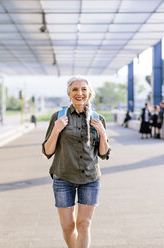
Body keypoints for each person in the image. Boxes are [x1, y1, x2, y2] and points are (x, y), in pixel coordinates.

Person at [42, 76, 110, 248]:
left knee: (84, 225)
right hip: (63, 177)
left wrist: (102, 134)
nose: (80, 93)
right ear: (69, 93)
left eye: (83, 89)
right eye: (75, 89)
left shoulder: (98, 118)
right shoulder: (58, 117)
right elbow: (48, 151)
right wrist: (56, 130)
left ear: (89, 93)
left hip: (90, 178)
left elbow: (103, 153)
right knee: (68, 226)